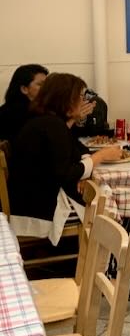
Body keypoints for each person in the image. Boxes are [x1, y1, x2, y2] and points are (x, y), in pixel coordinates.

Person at [9, 73, 121, 240]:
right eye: (80, 97)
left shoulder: (47, 122)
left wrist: (84, 172)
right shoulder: (53, 126)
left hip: (30, 203)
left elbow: (76, 151)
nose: (83, 101)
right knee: (107, 201)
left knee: (101, 194)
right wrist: (100, 156)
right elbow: (65, 174)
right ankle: (110, 252)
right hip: (40, 211)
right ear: (66, 100)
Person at [0, 64, 48, 142]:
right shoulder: (15, 114)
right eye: (40, 84)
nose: (47, 88)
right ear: (24, 89)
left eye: (47, 84)